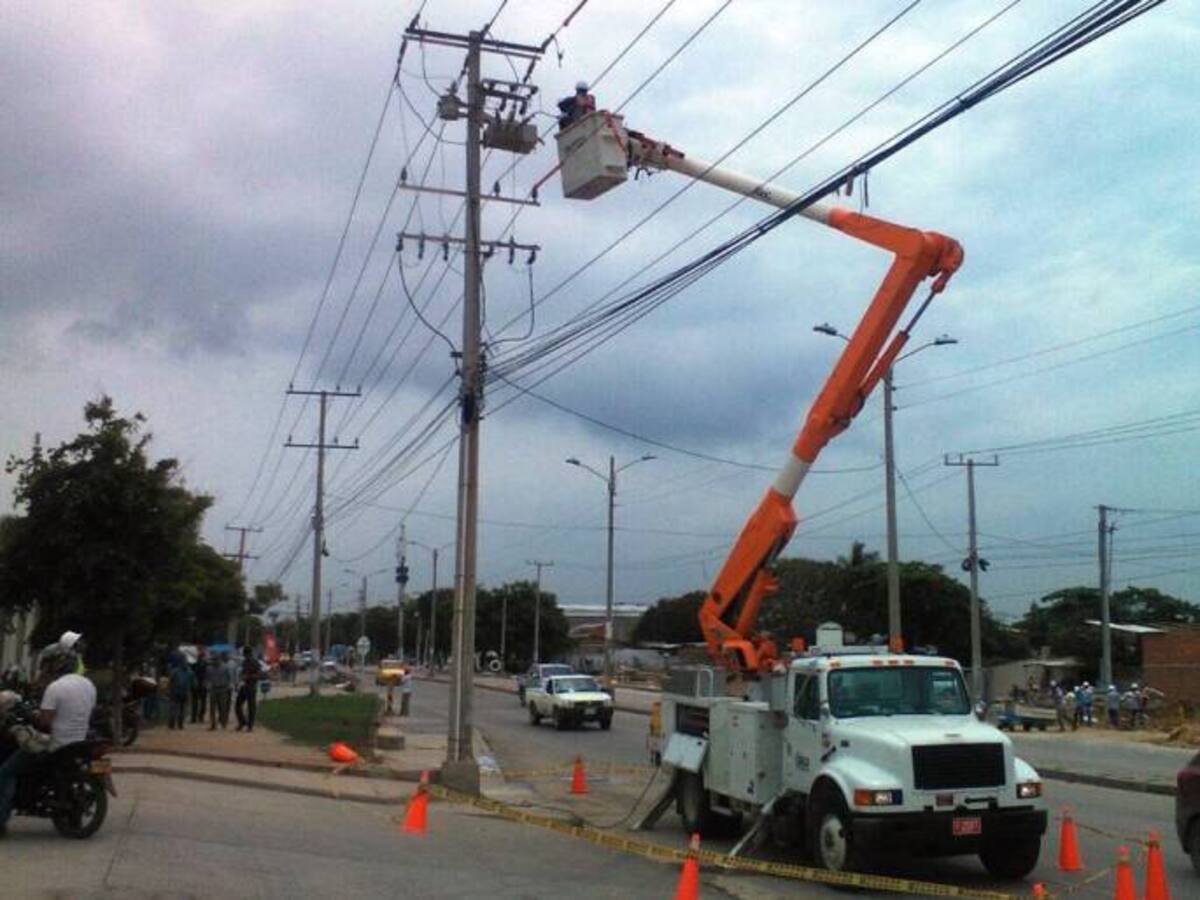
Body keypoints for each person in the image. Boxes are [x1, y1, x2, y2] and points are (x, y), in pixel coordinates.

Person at [0, 636, 96, 837]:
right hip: (78, 742)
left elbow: (45, 721)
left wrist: (29, 714)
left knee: (6, 771)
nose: (46, 667)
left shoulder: (56, 687)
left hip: (55, 745)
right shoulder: (89, 685)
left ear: (58, 663)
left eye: (49, 663)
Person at [234, 646, 260, 732]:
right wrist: (241, 676)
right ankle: (242, 722)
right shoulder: (244, 662)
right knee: (237, 705)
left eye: (245, 654)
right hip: (244, 686)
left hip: (252, 687)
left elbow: (259, 675)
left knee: (251, 707)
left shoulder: (255, 662)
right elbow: (243, 672)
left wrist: (248, 676)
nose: (245, 656)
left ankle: (250, 726)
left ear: (248, 654)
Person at [208, 651, 235, 730]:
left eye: (216, 659)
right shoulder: (209, 668)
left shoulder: (225, 667)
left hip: (223, 689)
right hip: (213, 689)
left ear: (219, 659)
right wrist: (208, 685)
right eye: (213, 660)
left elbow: (229, 678)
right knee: (212, 708)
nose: (214, 661)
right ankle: (213, 724)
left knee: (222, 707)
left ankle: (223, 723)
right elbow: (207, 678)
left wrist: (230, 686)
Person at [167, 653, 194, 730]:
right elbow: (170, 681)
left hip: (183, 692)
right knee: (175, 709)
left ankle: (179, 724)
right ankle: (173, 724)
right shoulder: (176, 671)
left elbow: (193, 683)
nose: (185, 663)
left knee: (181, 709)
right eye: (184, 662)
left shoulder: (188, 672)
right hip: (176, 692)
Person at [189, 649, 209, 724]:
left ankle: (200, 716)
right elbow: (192, 675)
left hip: (203, 685)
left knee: (202, 703)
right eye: (200, 656)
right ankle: (194, 717)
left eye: (202, 656)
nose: (201, 658)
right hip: (196, 685)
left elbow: (207, 675)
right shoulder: (194, 665)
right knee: (195, 703)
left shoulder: (206, 665)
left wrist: (206, 683)